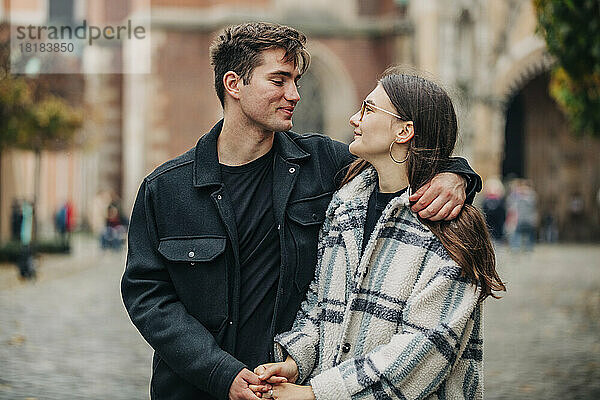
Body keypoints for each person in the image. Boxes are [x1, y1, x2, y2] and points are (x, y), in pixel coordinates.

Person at [121, 23, 482, 400]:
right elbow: (148, 297)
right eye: (279, 80)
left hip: (289, 387)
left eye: (296, 80)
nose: (294, 94)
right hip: (194, 390)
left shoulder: (325, 163)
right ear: (234, 84)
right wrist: (220, 372)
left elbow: (403, 164)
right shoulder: (166, 189)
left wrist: (457, 175)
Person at [253, 69, 505, 399]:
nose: (354, 118)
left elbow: (422, 351)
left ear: (404, 131)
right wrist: (294, 362)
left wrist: (315, 394)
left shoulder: (450, 226)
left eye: (369, 109)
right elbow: (321, 304)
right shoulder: (345, 206)